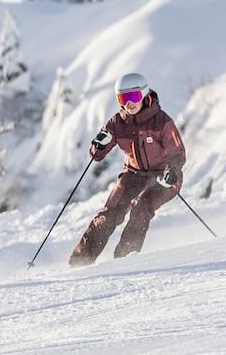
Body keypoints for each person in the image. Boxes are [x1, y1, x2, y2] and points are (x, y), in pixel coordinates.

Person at [70, 71, 187, 267]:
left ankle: (124, 258)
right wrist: (98, 146)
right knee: (110, 213)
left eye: (133, 97)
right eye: (123, 98)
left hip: (164, 176)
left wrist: (171, 171)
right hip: (134, 173)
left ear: (144, 95)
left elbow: (177, 154)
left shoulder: (162, 122)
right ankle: (80, 262)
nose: (128, 104)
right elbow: (97, 155)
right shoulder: (118, 123)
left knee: (142, 206)